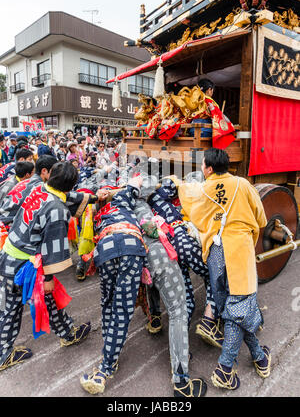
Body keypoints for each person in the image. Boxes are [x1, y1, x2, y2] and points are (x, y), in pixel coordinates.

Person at [178, 148, 271, 390]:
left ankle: (260, 357)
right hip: (239, 252)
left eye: (202, 165)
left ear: (208, 169)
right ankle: (225, 369)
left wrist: (175, 182)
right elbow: (261, 219)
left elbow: (194, 214)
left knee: (234, 310)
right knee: (239, 309)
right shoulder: (242, 184)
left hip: (216, 255)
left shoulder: (204, 190)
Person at [0, 162, 95, 371]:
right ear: (71, 186)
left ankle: (67, 333)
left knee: (40, 301)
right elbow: (52, 248)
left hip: (9, 252)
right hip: (23, 265)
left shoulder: (39, 188)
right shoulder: (57, 210)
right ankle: (3, 353)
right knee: (13, 308)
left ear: (50, 174)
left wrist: (95, 197)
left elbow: (67, 197)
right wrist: (49, 278)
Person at [133, 175, 207, 397]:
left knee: (154, 289)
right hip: (158, 254)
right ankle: (181, 381)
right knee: (178, 312)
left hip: (138, 256)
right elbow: (151, 229)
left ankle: (155, 319)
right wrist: (165, 228)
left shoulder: (122, 202)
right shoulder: (143, 204)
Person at [80, 176, 147, 395]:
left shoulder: (98, 212)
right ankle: (105, 368)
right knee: (123, 308)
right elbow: (138, 181)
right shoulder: (124, 197)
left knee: (108, 301)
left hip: (105, 247)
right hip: (130, 244)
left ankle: (110, 352)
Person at [147, 177, 222, 347]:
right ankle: (209, 321)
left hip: (167, 250)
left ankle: (181, 348)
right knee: (214, 276)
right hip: (182, 240)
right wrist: (176, 181)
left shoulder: (142, 207)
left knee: (186, 299)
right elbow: (174, 184)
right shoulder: (163, 192)